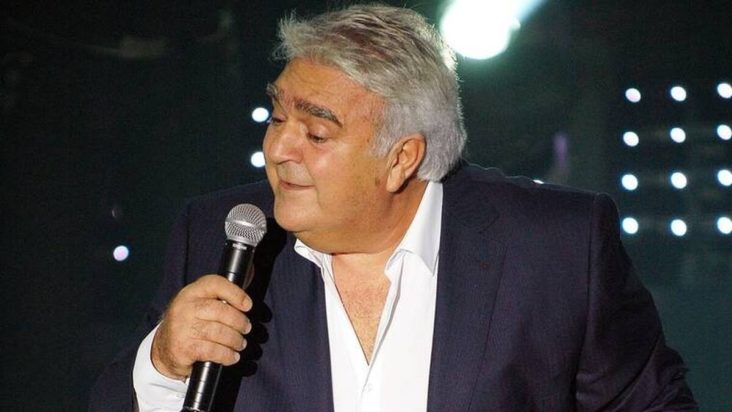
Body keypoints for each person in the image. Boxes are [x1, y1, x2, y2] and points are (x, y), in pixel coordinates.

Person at [91, 4, 696, 411]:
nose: (278, 148)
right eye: (277, 118)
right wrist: (164, 361)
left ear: (401, 158)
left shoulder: (555, 247)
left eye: (316, 133)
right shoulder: (220, 235)